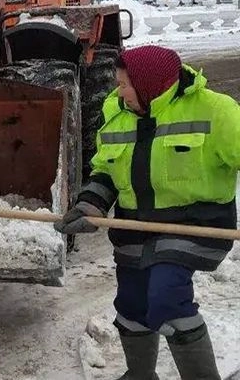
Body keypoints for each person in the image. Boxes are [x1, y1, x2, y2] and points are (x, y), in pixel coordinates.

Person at [55, 45, 240, 380]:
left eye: (124, 84)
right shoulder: (116, 111)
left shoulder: (215, 111)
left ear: (149, 84)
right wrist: (90, 205)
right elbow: (106, 170)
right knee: (132, 305)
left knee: (166, 298)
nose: (118, 92)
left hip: (195, 226)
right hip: (136, 228)